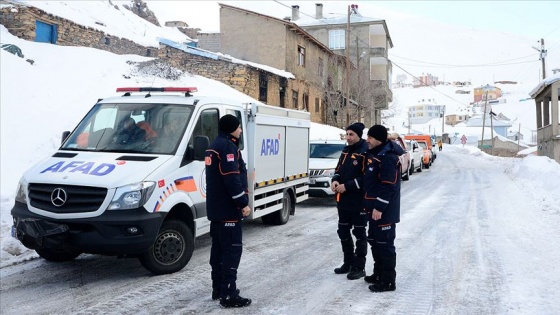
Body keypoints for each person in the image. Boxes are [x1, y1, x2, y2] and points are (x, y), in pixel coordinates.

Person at [205, 114, 252, 308]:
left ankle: (219, 289)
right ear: (231, 128)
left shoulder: (213, 145)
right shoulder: (227, 147)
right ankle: (229, 294)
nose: (240, 130)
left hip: (216, 210)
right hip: (228, 210)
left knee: (218, 251)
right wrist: (242, 203)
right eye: (239, 127)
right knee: (231, 251)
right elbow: (232, 179)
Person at [363, 125, 403, 292]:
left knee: (385, 245)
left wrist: (379, 207)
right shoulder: (377, 153)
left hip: (384, 212)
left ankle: (388, 281)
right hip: (373, 210)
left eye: (370, 138)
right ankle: (378, 273)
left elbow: (388, 186)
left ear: (378, 139)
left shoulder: (388, 157)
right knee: (375, 242)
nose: (367, 140)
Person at [331, 122, 369, 280]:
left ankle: (359, 267)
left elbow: (367, 177)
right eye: (347, 134)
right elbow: (338, 169)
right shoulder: (346, 150)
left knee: (360, 233)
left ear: (359, 135)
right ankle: (348, 262)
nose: (348, 137)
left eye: (351, 134)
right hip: (343, 201)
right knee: (343, 232)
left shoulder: (365, 151)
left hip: (359, 201)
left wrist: (347, 186)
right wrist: (335, 180)